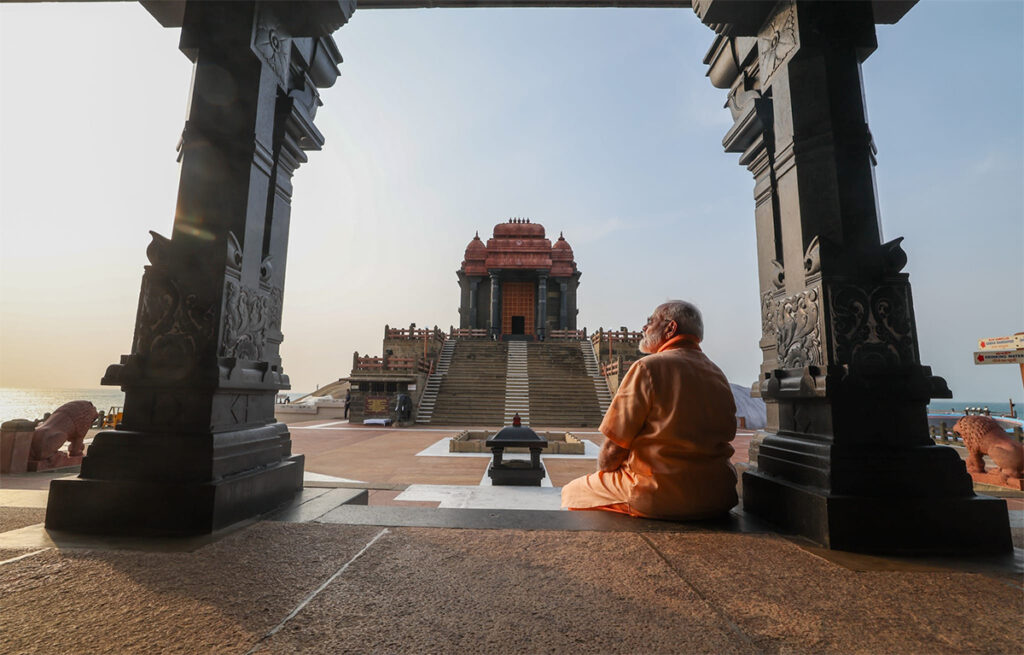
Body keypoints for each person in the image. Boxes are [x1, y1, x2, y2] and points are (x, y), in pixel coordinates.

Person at [561, 300, 738, 520]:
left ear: (670, 328)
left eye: (650, 321)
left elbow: (610, 455)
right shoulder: (717, 373)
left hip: (658, 494)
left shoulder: (647, 367)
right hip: (718, 494)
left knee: (572, 492)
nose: (644, 328)